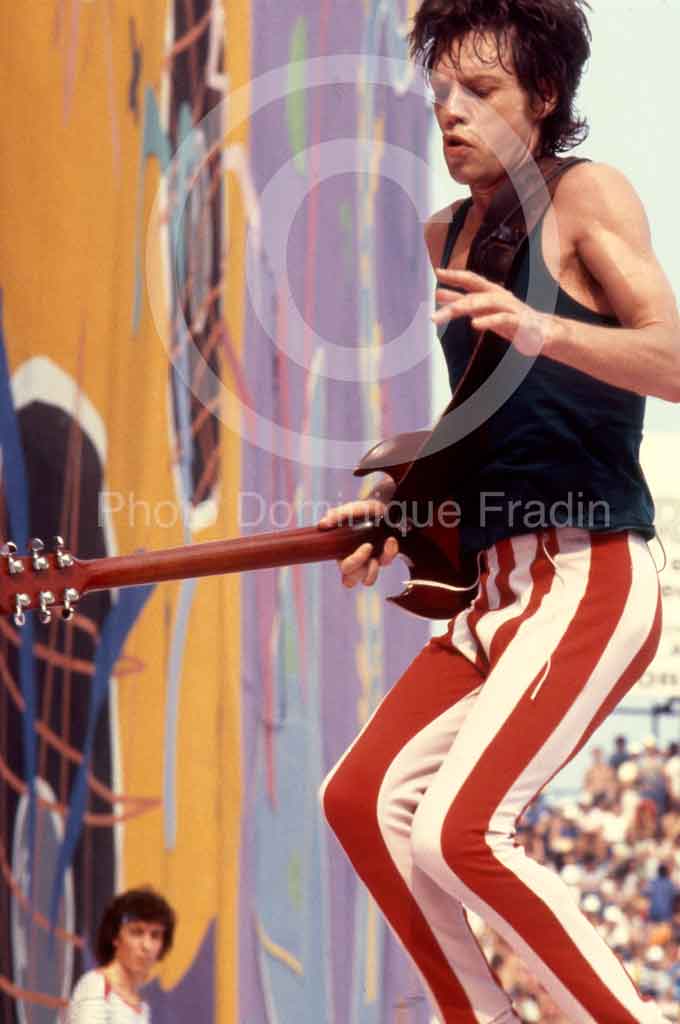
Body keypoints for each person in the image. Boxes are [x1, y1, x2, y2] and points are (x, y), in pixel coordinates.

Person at [318, 1, 679, 1021]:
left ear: (545, 96)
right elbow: (481, 412)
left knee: (458, 830)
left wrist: (540, 325)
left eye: (480, 91)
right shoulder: (450, 232)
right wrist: (397, 503)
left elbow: (670, 357)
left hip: (588, 569)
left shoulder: (587, 196)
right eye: (441, 91)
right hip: (491, 586)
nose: (451, 113)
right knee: (358, 801)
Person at [66, 887, 176, 1023]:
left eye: (155, 936)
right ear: (115, 937)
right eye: (137, 932)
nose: (146, 945)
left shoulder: (142, 1007)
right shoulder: (96, 987)